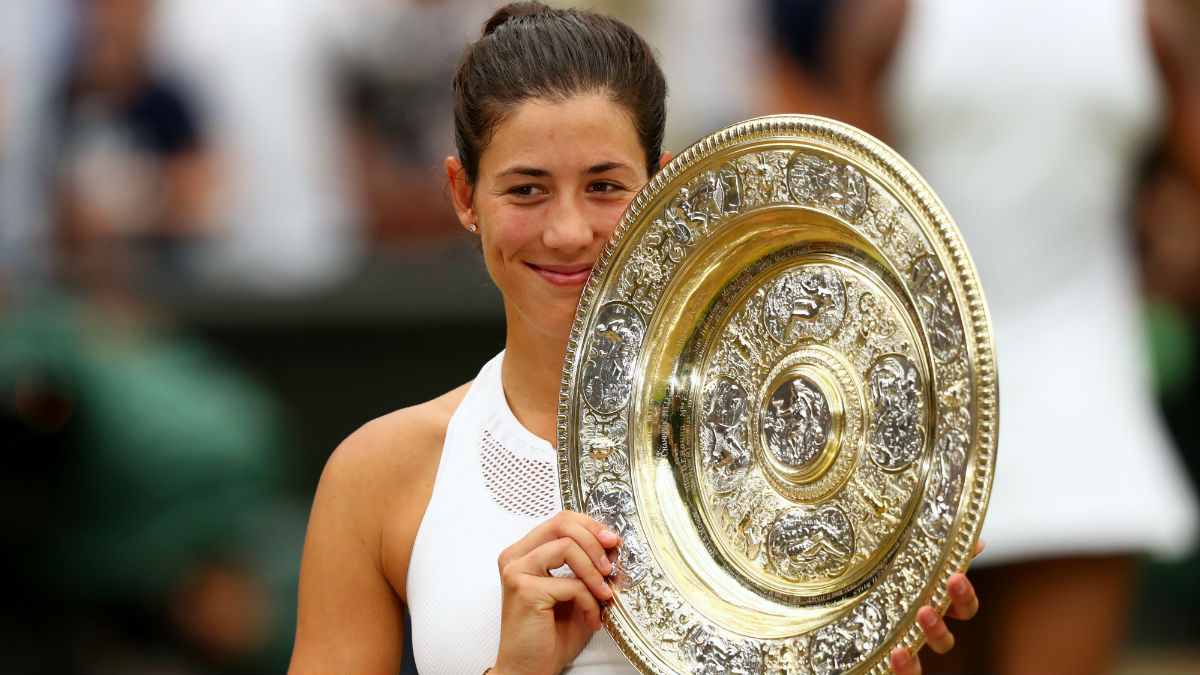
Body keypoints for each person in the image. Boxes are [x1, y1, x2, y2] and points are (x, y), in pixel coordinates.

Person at [288, 4, 980, 674]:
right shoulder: (376, 477)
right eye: (526, 190)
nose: (567, 231)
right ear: (463, 193)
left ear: (663, 186)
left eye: (604, 186)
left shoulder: (806, 452)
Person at [762, 0, 1200, 673]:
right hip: (1062, 412)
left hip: (941, 416)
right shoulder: (1147, 21)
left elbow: (843, 216)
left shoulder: (889, 19)